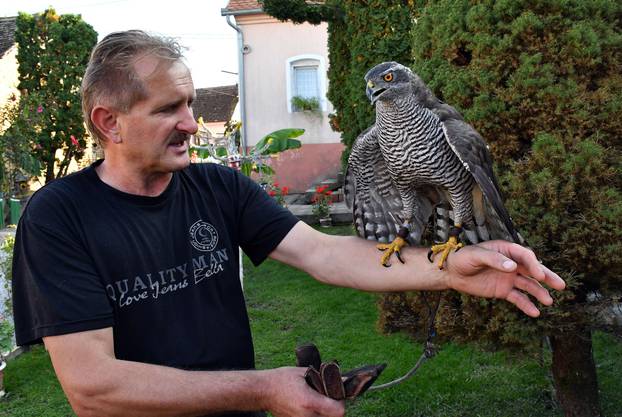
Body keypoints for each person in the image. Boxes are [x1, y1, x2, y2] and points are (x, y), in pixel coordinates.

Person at [12, 30, 565, 417]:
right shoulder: (59, 216)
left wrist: (450, 271)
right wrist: (263, 389)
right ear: (109, 122)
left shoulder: (217, 188)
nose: (190, 122)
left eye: (188, 104)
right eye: (168, 110)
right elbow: (93, 389)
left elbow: (322, 253)